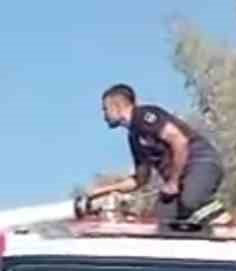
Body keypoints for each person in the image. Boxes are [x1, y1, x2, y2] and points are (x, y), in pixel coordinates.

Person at [82, 84, 226, 227]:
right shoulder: (134, 137)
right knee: (160, 219)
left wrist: (173, 182)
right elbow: (140, 180)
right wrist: (101, 191)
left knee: (190, 200)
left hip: (202, 163)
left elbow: (179, 140)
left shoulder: (144, 116)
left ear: (117, 106)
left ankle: (226, 226)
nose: (104, 116)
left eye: (105, 109)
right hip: (181, 180)